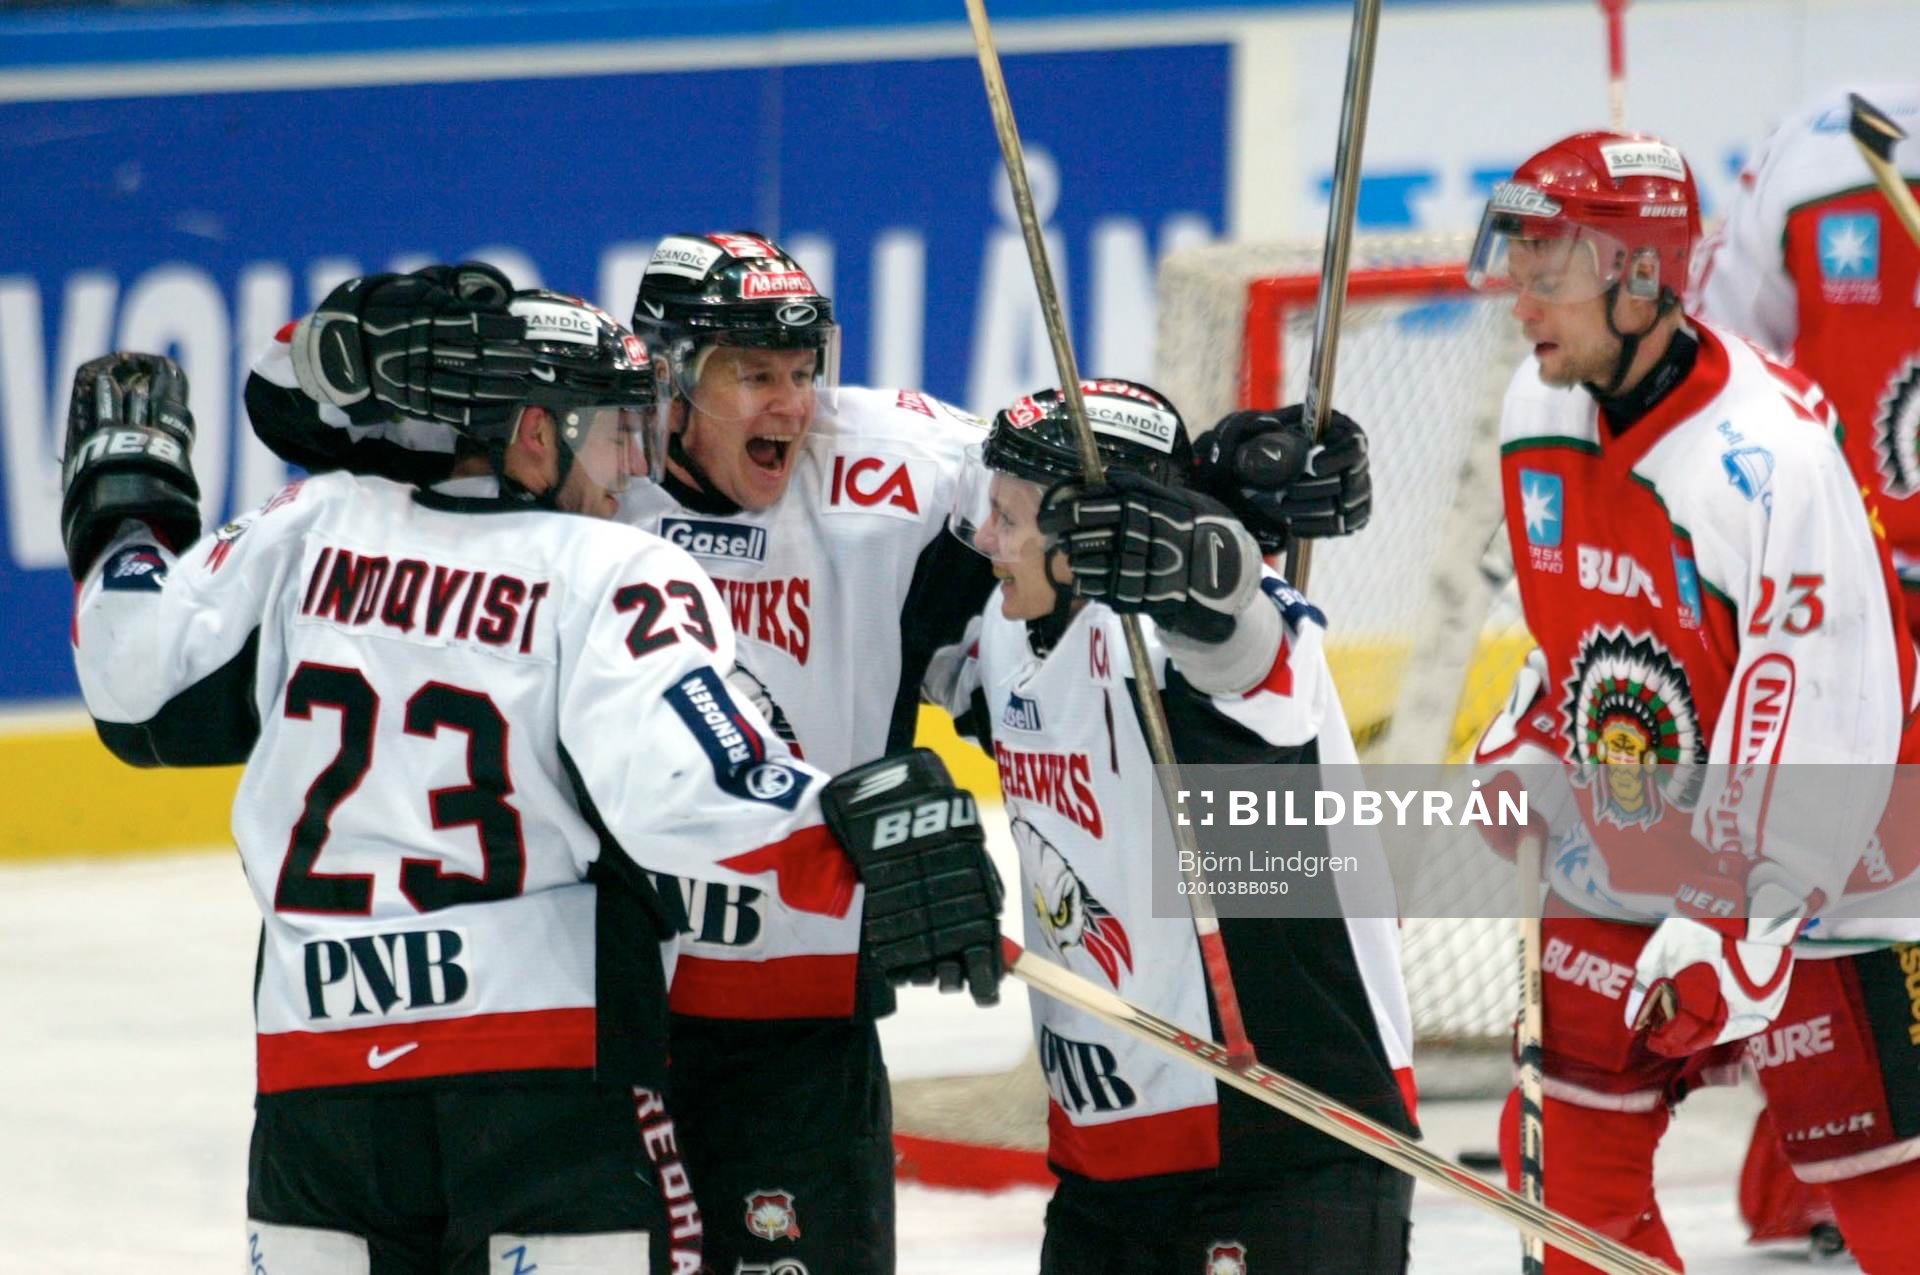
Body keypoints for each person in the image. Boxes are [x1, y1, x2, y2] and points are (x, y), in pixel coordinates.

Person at [244, 240, 1374, 1272]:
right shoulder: (579, 451)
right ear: (668, 377)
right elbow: (295, 407)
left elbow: (1060, 492)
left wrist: (1215, 493)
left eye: (802, 370)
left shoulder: (893, 466)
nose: (790, 403)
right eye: (752, 374)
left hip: (797, 1030)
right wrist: (365, 332)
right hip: (592, 1027)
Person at [64, 289, 1003, 1274]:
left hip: (320, 1086)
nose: (633, 468)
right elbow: (691, 790)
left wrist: (126, 508)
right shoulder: (608, 568)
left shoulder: (311, 525)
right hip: (544, 1085)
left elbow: (132, 685)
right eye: (611, 432)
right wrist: (851, 823)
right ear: (534, 434)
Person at [1465, 129, 1920, 1274]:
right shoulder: (1536, 407)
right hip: (1640, 826)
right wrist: (1533, 733)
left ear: (1642, 276)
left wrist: (1740, 917)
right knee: (1572, 1189)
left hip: (1845, 853)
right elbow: (1571, 628)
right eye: (1517, 260)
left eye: (1552, 265)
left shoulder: (1767, 456)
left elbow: (1824, 714)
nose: (1522, 296)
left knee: (1896, 1209)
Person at [929, 379, 1417, 1273]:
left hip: (1282, 1139)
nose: (987, 538)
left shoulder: (1159, 640)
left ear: (1085, 533)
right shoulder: (1003, 627)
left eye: (1010, 517)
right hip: (1106, 1164)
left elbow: (1252, 663)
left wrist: (1201, 569)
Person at [1688, 82, 1920, 1260]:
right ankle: (1824, 1179)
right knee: (1854, 903)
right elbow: (1722, 360)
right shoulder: (1824, 151)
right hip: (1862, 608)